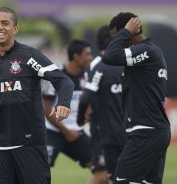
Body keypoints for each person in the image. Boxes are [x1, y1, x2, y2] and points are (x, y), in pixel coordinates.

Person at [0, 7, 74, 184]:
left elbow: (64, 81)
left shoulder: (29, 56)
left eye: (5, 23)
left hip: (29, 144)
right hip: (0, 146)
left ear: (15, 29)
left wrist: (63, 103)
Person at [102, 12, 171, 183]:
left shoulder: (147, 51)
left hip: (146, 131)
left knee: (122, 180)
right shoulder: (147, 53)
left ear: (131, 31)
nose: (115, 42)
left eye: (116, 36)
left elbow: (109, 56)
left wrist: (125, 31)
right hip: (152, 130)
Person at [42, 40, 96, 183]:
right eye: (88, 54)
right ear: (77, 56)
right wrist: (66, 131)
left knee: (102, 170)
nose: (90, 58)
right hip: (52, 132)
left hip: (76, 133)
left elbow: (88, 105)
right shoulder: (55, 76)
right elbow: (46, 109)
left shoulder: (87, 77)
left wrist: (88, 117)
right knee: (38, 173)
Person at [77, 25, 127, 182]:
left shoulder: (102, 64)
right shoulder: (104, 64)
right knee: (105, 176)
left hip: (111, 130)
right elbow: (89, 96)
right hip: (114, 130)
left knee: (107, 176)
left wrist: (82, 117)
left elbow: (87, 97)